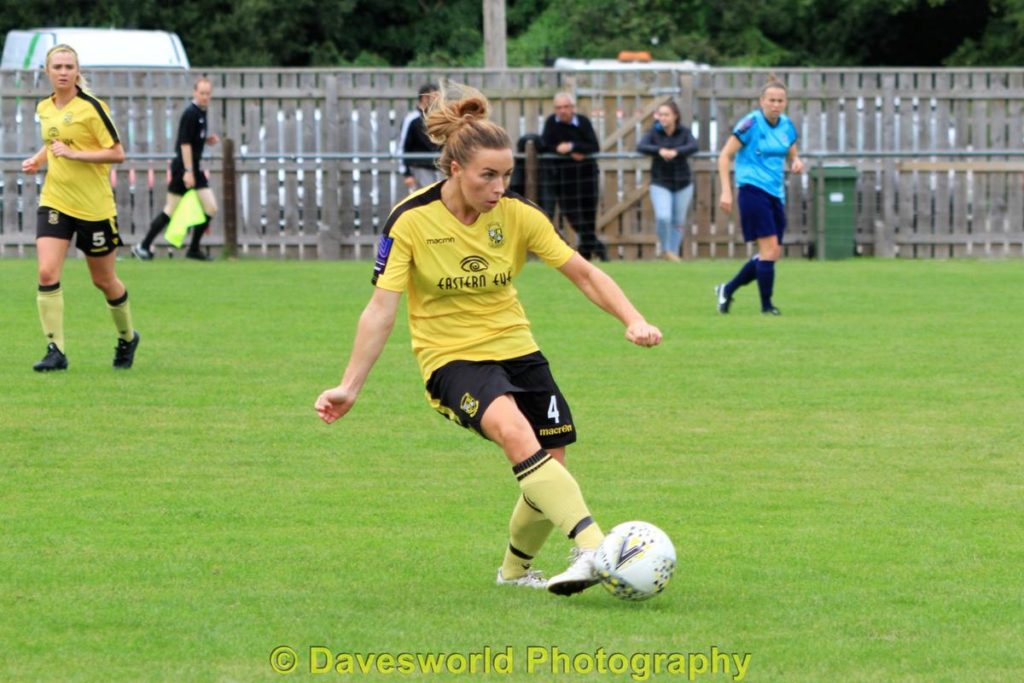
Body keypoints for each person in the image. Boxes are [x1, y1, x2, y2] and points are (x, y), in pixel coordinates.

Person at [315, 82, 662, 597]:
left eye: (506, 176)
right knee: (515, 433)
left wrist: (631, 318)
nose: (499, 187)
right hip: (451, 360)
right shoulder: (410, 220)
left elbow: (584, 273)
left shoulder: (519, 214)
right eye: (488, 176)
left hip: (517, 347)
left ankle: (515, 573)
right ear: (455, 169)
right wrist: (350, 386)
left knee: (549, 462)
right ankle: (595, 547)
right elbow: (381, 309)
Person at [21, 44, 139, 371]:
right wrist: (39, 158)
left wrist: (75, 155)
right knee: (46, 271)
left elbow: (117, 153)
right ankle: (55, 350)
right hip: (56, 199)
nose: (62, 72)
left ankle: (127, 336)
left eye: (68, 66)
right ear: (47, 71)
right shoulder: (44, 106)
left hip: (94, 208)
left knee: (104, 280)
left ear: (77, 71)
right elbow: (54, 140)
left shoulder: (92, 107)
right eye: (56, 66)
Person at [715, 78, 804, 315]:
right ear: (762, 101)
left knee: (772, 253)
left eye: (780, 100)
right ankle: (767, 307)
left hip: (776, 193)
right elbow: (724, 156)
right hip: (752, 191)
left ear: (786, 103)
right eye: (771, 100)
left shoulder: (786, 125)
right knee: (769, 250)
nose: (776, 105)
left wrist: (796, 161)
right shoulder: (751, 124)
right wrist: (726, 191)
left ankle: (727, 289)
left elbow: (792, 152)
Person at [133, 77, 220, 261]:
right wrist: (188, 171)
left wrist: (206, 140)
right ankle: (143, 246)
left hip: (194, 167)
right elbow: (184, 144)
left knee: (210, 207)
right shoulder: (190, 113)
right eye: (202, 93)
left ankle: (194, 249)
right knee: (170, 209)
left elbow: (193, 139)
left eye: (208, 93)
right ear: (195, 93)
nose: (205, 97)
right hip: (184, 168)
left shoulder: (201, 113)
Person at [541, 92, 608, 261]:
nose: (562, 111)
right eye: (559, 108)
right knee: (573, 217)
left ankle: (586, 257)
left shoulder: (583, 122)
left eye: (566, 107)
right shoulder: (551, 123)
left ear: (573, 108)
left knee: (588, 218)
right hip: (564, 180)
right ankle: (599, 248)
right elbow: (545, 146)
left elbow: (593, 146)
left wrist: (572, 147)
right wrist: (561, 149)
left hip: (587, 177)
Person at [636, 100, 698, 261]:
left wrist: (676, 152)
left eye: (666, 115)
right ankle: (665, 249)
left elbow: (693, 146)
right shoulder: (653, 132)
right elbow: (641, 146)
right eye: (660, 115)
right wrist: (660, 151)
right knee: (663, 217)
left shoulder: (684, 132)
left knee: (678, 221)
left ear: (675, 116)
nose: (662, 118)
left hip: (683, 182)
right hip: (660, 182)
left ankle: (672, 253)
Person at [398, 83, 443, 192]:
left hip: (439, 170)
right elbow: (403, 147)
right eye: (435, 97)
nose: (438, 101)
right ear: (425, 98)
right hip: (420, 169)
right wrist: (407, 173)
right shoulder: (412, 120)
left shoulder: (439, 119)